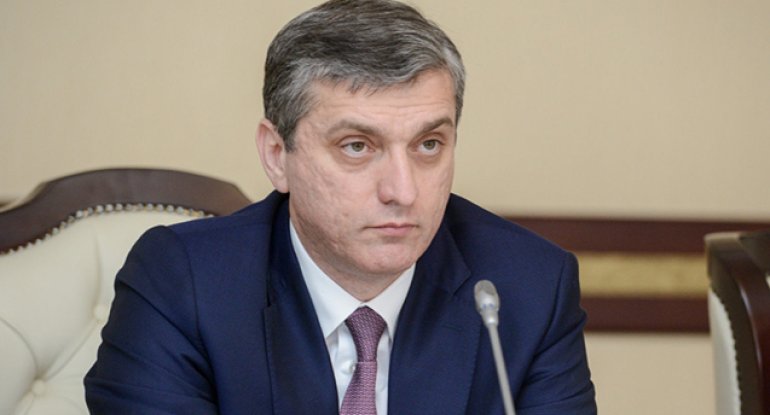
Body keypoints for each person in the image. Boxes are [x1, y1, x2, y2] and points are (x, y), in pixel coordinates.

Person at [84, 0, 597, 413]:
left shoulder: (527, 289)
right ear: (277, 155)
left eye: (428, 145)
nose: (403, 191)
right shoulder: (183, 283)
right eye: (357, 146)